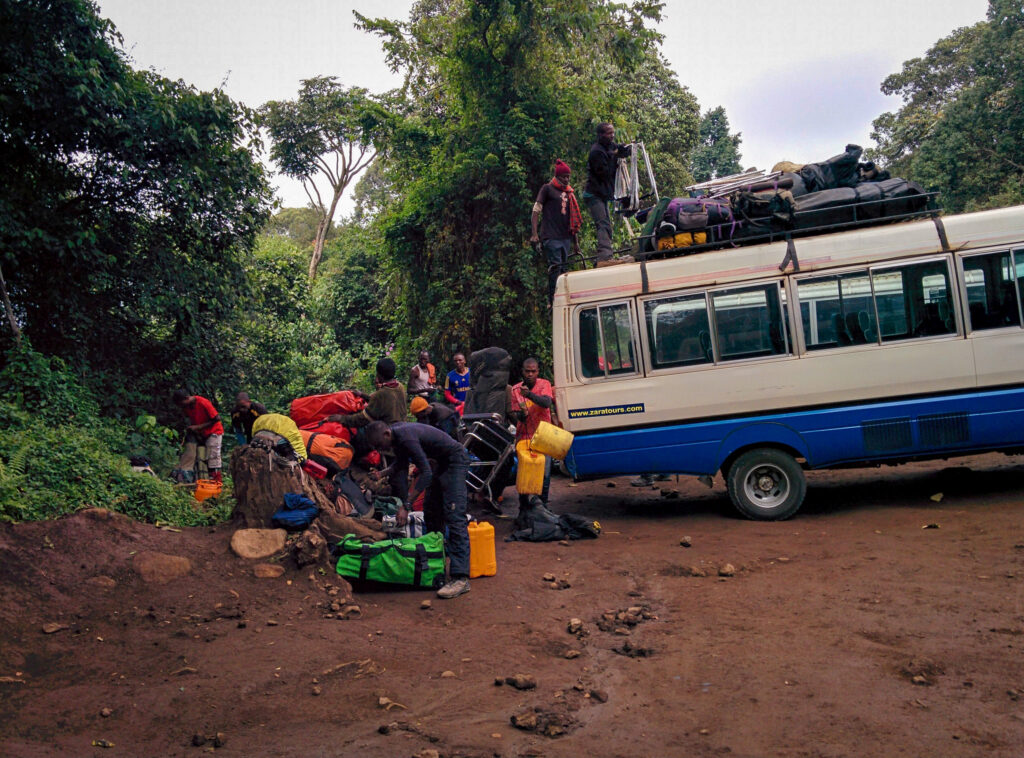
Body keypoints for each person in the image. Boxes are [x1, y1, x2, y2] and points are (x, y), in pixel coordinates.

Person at [365, 420, 472, 599]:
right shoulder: (396, 438)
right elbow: (400, 463)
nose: (379, 449)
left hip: (454, 461)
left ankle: (460, 578)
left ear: (386, 434)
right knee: (431, 512)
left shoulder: (405, 438)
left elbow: (426, 473)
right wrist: (381, 474)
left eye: (378, 445)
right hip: (440, 463)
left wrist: (406, 505)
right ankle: (435, 564)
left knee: (454, 516)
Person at [531, 160, 582, 303]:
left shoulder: (569, 193)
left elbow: (573, 220)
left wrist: (575, 243)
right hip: (551, 236)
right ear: (557, 177)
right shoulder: (547, 189)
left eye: (568, 177)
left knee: (564, 269)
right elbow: (536, 211)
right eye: (564, 177)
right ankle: (552, 300)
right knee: (556, 266)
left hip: (565, 237)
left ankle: (563, 299)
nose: (566, 179)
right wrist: (535, 234)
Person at [583, 122, 633, 266]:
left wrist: (624, 150)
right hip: (594, 194)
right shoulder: (596, 152)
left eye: (613, 133)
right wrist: (615, 156)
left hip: (602, 195)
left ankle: (606, 255)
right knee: (603, 224)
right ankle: (604, 258)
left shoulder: (610, 146)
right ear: (600, 135)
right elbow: (605, 173)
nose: (612, 136)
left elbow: (618, 151)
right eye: (609, 133)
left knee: (607, 225)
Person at [509, 358, 554, 510]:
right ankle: (524, 507)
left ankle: (542, 507)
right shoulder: (515, 389)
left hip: (544, 434)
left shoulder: (544, 384)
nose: (530, 374)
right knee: (525, 472)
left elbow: (546, 403)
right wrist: (522, 414)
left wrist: (529, 395)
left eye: (533, 371)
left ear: (537, 372)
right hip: (524, 436)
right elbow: (516, 415)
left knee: (545, 473)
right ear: (522, 372)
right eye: (527, 371)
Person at [328, 357, 407, 429]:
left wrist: (341, 418)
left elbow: (363, 419)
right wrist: (362, 395)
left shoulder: (381, 394)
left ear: (379, 375)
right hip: (403, 427)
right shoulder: (400, 386)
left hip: (389, 433)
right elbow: (383, 402)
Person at [171, 390, 224, 484]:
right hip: (201, 433)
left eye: (181, 403)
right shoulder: (187, 407)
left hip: (214, 432)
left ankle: (216, 483)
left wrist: (198, 427)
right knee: (198, 456)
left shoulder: (203, 402)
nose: (181, 406)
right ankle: (200, 480)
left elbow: (216, 419)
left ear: (187, 398)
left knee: (213, 457)